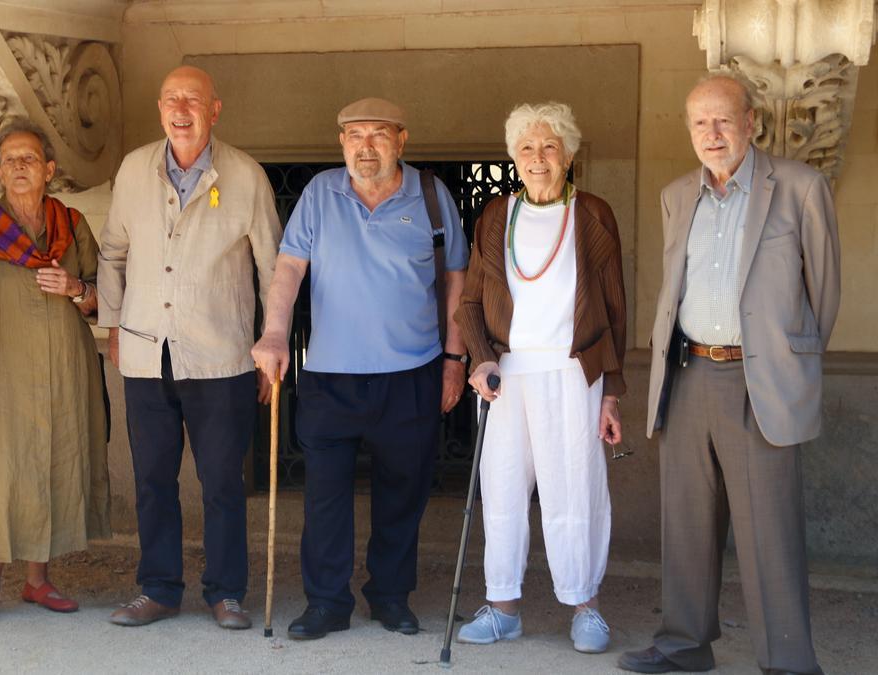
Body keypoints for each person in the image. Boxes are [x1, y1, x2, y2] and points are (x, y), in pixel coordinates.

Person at [618, 73, 839, 674]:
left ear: (751, 123)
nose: (711, 134)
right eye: (699, 123)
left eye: (723, 120)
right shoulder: (676, 195)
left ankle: (788, 660)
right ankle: (684, 644)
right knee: (686, 523)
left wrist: (786, 362)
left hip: (758, 380)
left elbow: (823, 296)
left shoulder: (799, 187)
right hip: (688, 374)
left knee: (770, 531)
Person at [251, 97, 468, 640]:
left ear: (402, 140)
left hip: (412, 372)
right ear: (340, 141)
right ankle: (326, 603)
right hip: (329, 376)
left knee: (403, 492)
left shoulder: (432, 197)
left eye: (377, 134)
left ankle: (390, 596)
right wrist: (275, 332)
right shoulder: (320, 193)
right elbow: (288, 268)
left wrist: (454, 359)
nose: (365, 146)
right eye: (354, 135)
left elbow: (457, 285)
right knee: (325, 497)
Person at [97, 65, 281, 630]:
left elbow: (275, 269)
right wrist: (111, 326)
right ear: (160, 109)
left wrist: (270, 344)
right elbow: (112, 252)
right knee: (153, 480)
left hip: (220, 355)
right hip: (147, 352)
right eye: (172, 99)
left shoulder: (246, 176)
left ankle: (226, 593)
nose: (182, 109)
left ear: (214, 109)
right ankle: (158, 588)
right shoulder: (133, 169)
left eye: (193, 100)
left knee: (223, 482)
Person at [452, 102, 626, 654]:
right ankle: (503, 606)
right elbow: (470, 303)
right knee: (501, 487)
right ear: (514, 157)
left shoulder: (594, 215)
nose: (537, 158)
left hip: (575, 372)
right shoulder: (495, 217)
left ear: (569, 155)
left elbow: (617, 310)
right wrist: (480, 358)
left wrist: (613, 393)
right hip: (508, 374)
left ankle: (584, 605)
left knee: (575, 487)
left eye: (549, 147)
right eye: (526, 148)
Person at [0, 118, 111, 624]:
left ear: (49, 169)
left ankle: (39, 581)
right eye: (11, 159)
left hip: (65, 369)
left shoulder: (71, 225)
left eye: (30, 159)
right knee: (0, 470)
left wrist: (75, 289)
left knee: (50, 464)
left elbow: (106, 301)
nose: (20, 166)